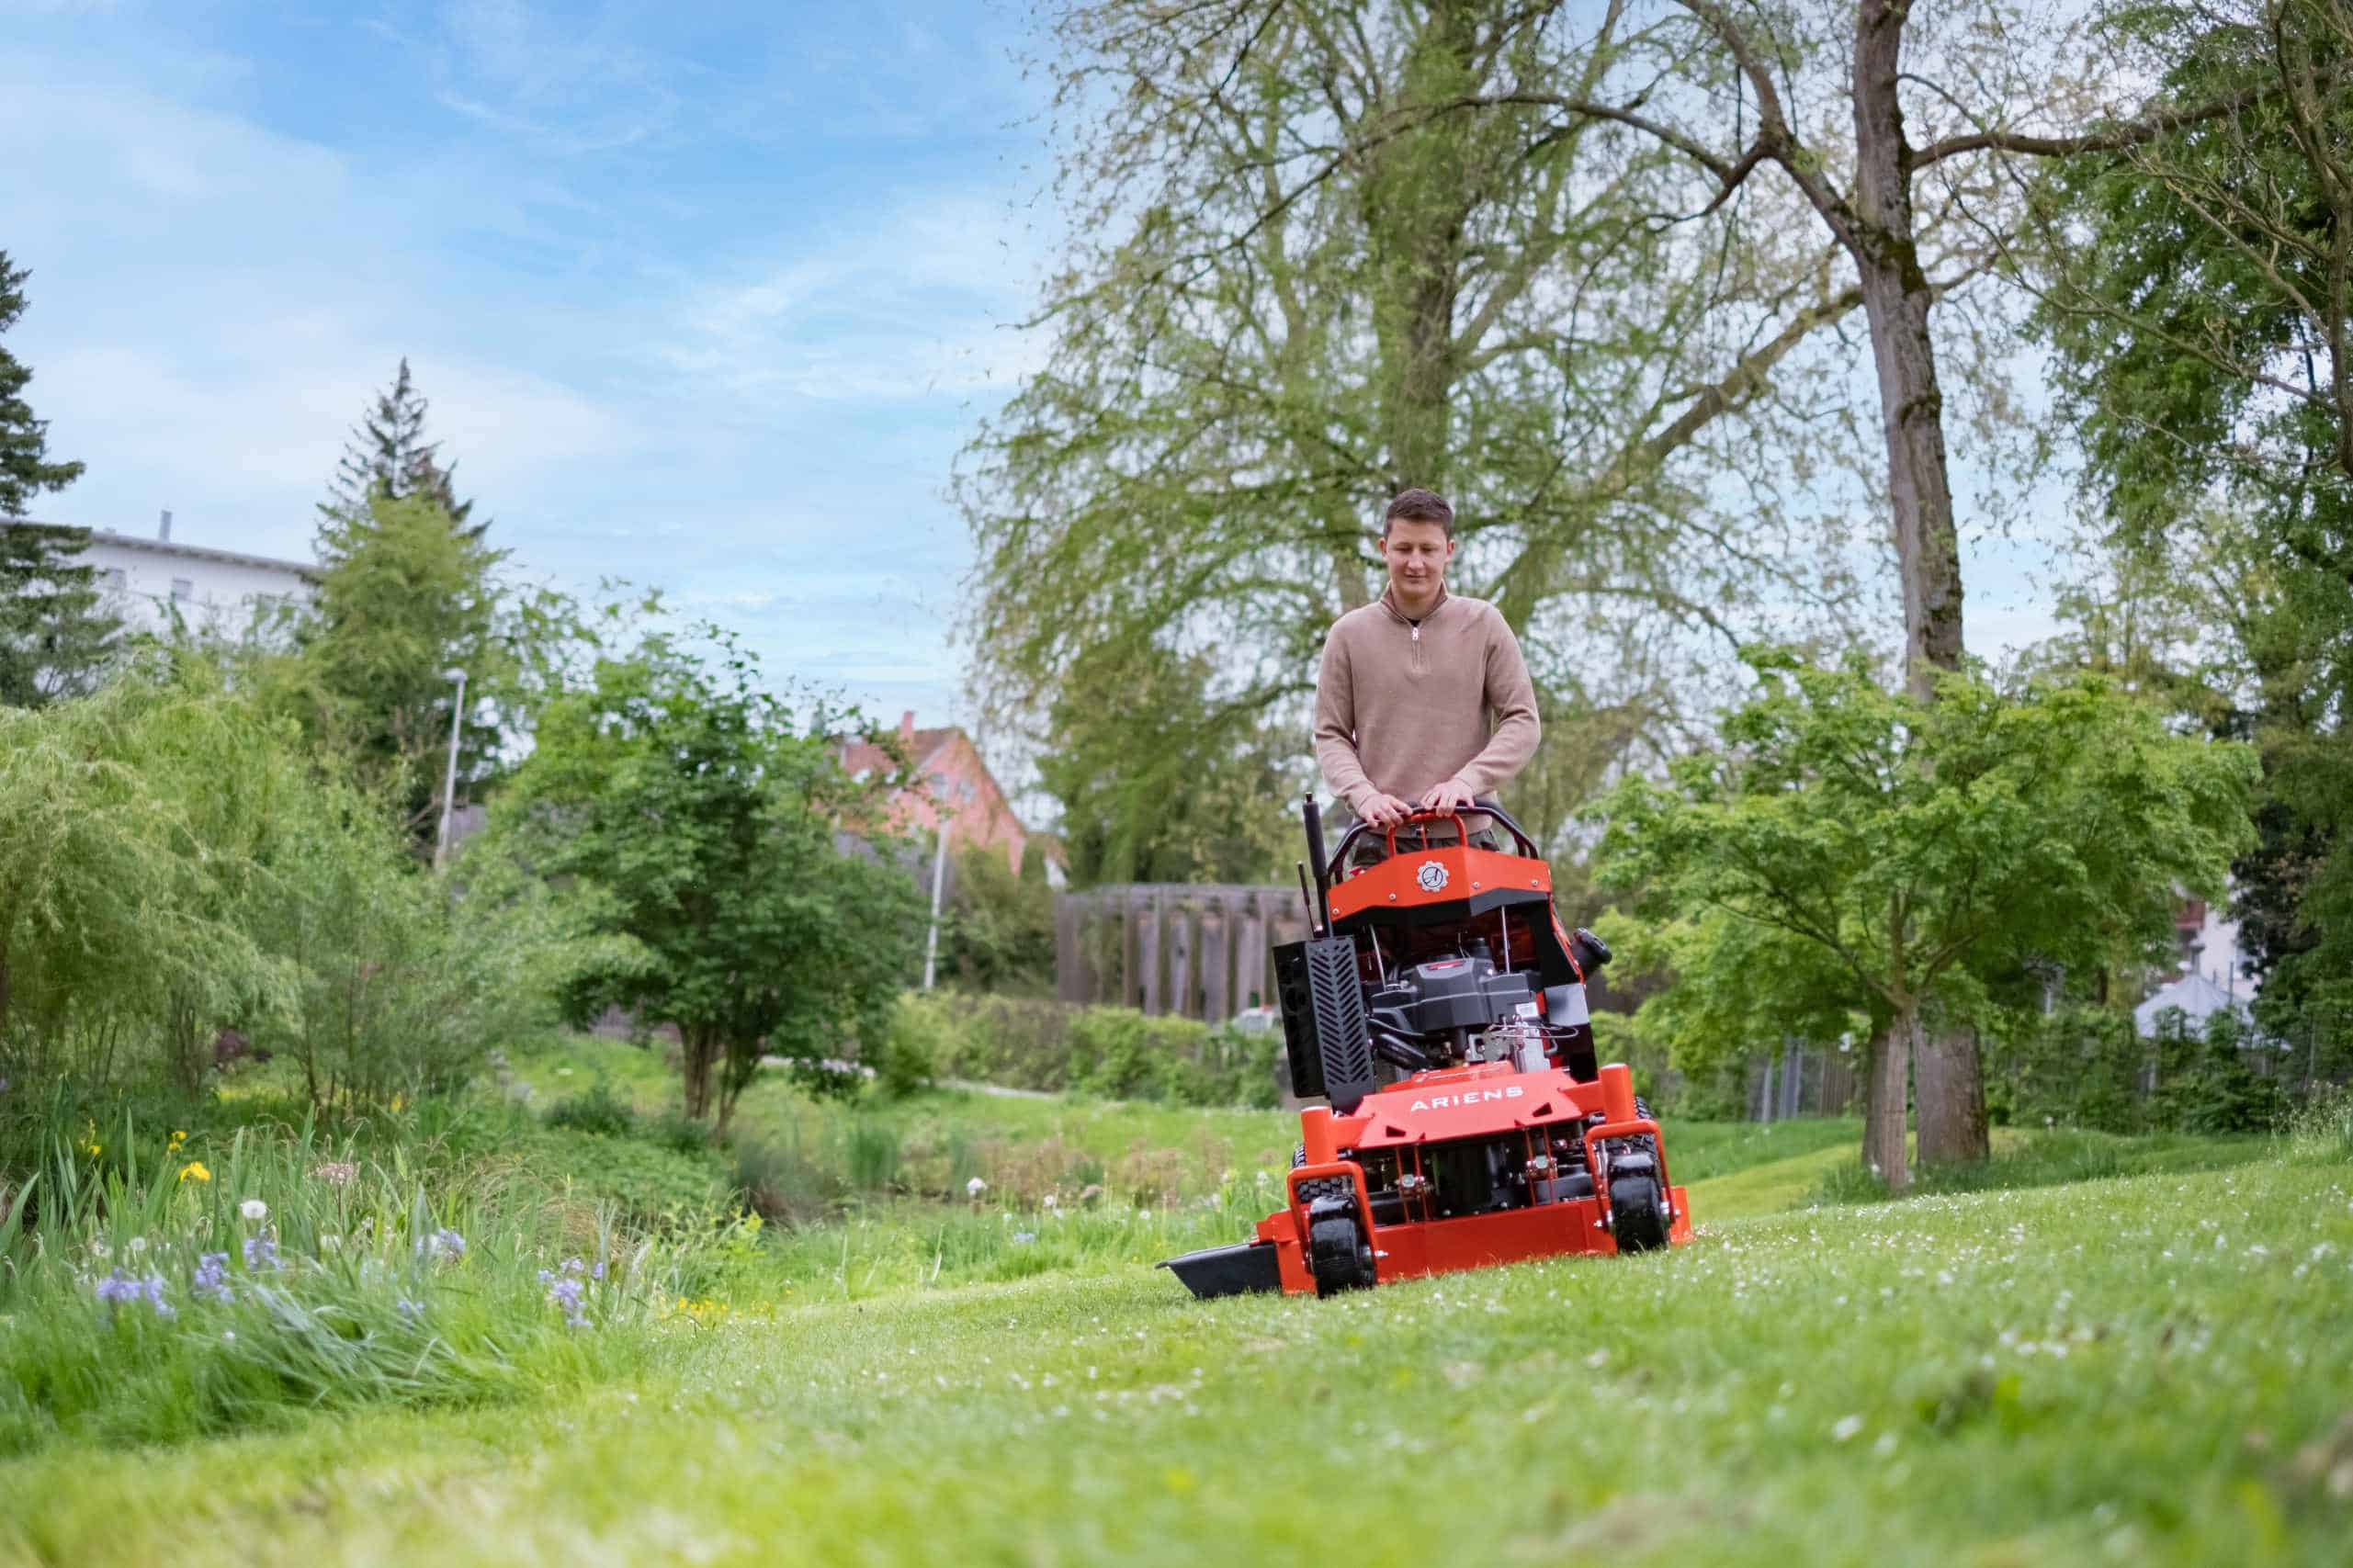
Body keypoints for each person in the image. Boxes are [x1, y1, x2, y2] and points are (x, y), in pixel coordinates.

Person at [1314, 488, 1540, 852]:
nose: (1415, 563)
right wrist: (1363, 795)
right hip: (1379, 840)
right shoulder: (1348, 635)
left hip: (1468, 837)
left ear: (1448, 551)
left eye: (1428, 549)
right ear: (1384, 549)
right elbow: (1331, 734)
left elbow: (1523, 721)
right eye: (1404, 549)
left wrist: (1468, 782)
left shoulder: (1484, 624)